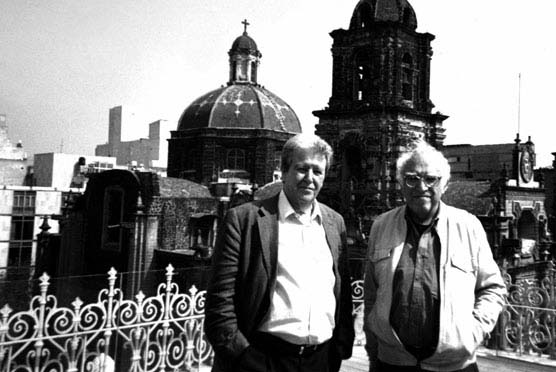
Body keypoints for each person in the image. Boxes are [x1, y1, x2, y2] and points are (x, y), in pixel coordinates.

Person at [205, 133, 354, 372]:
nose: (309, 178)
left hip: (320, 361)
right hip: (262, 359)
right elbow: (219, 303)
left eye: (317, 171)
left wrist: (339, 349)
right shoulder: (245, 220)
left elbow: (342, 293)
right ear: (283, 172)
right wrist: (244, 358)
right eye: (302, 169)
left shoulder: (334, 222)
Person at [363, 141, 506, 372]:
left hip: (454, 365)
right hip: (393, 362)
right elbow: (371, 293)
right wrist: (374, 345)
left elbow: (493, 289)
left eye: (431, 179)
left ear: (445, 185)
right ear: (401, 183)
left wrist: (472, 333)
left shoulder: (469, 226)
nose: (421, 186)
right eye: (412, 178)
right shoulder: (381, 226)